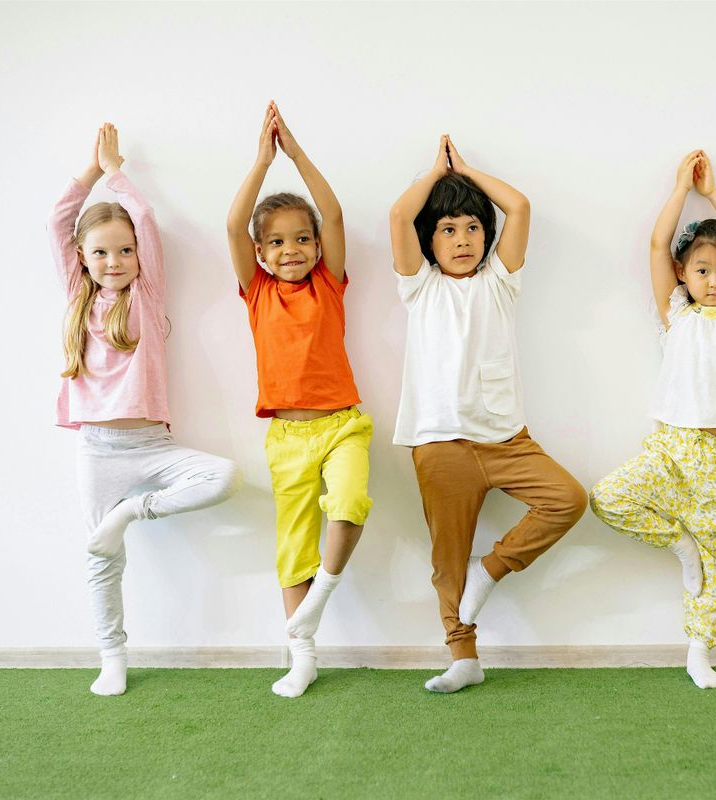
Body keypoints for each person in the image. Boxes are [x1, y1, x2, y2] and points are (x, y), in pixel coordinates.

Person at [389, 135, 587, 694]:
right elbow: (399, 214)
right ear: (429, 241)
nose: (463, 239)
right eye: (448, 229)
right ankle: (464, 657)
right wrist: (436, 173)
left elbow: (519, 206)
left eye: (473, 227)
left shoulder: (501, 281)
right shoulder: (418, 287)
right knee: (446, 559)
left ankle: (490, 571)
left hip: (506, 439)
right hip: (440, 443)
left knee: (568, 498)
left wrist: (468, 171)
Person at [51, 124, 241, 696]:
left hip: (154, 449)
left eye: (126, 250)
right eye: (102, 252)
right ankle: (113, 656)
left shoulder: (149, 293)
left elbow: (147, 221)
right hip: (98, 450)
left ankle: (132, 513)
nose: (116, 261)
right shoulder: (77, 296)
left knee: (225, 477)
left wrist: (116, 172)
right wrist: (88, 173)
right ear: (82, 258)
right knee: (100, 558)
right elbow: (56, 222)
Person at [590, 150, 716, 689]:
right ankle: (681, 545)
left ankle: (699, 651)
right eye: (703, 270)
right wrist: (682, 188)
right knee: (609, 498)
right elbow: (656, 246)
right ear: (684, 273)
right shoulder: (677, 314)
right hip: (674, 445)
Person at [226, 103, 372, 698]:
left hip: (342, 425)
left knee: (352, 499)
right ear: (262, 252)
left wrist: (297, 154)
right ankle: (302, 652)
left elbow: (333, 213)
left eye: (302, 238)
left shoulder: (328, 284)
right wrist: (262, 161)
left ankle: (324, 595)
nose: (292, 249)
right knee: (292, 545)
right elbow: (234, 227)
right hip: (285, 437)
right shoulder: (257, 292)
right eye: (278, 242)